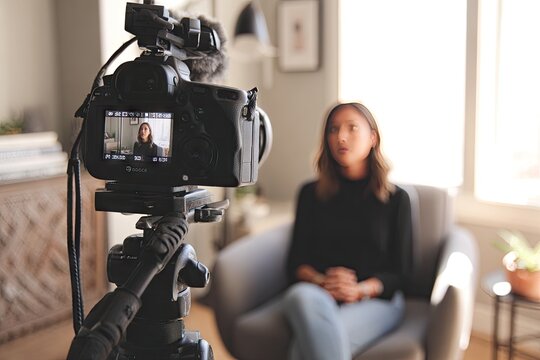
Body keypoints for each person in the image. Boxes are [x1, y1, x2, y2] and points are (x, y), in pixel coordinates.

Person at [283, 102, 413, 360]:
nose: (341, 136)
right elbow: (295, 262)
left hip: (376, 301)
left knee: (302, 350)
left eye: (352, 128)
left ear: (373, 138)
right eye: (333, 129)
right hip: (317, 294)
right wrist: (323, 282)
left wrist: (360, 290)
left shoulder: (397, 199)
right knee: (299, 297)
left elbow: (403, 273)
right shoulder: (310, 194)